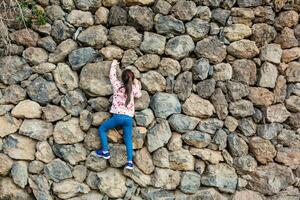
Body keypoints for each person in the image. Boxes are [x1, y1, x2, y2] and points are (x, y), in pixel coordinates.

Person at [96, 59, 142, 170]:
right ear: (132, 79)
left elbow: (112, 76)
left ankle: (105, 151)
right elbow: (139, 94)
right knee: (128, 140)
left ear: (123, 78)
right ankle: (130, 162)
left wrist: (114, 64)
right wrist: (135, 82)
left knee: (102, 129)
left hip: (117, 116)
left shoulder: (117, 85)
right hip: (128, 119)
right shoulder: (134, 89)